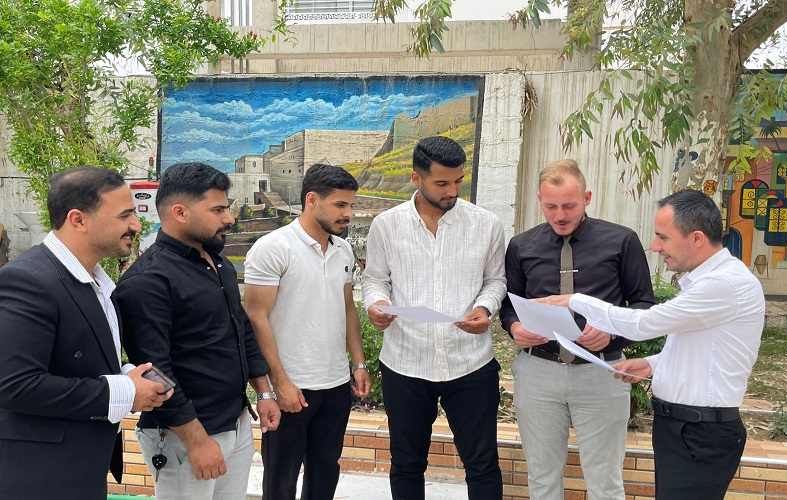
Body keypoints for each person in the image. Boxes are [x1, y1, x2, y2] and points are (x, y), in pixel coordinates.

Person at [538, 189, 764, 500]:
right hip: (683, 426)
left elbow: (644, 323)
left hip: (700, 431)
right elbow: (703, 349)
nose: (655, 246)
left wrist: (576, 300)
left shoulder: (723, 284)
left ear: (697, 238)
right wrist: (652, 364)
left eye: (663, 237)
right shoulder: (708, 282)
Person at [0, 166, 171, 500]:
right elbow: (13, 385)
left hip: (81, 467)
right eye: (124, 215)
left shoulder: (94, 283)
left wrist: (127, 374)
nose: (136, 226)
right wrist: (124, 390)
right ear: (78, 220)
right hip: (37, 477)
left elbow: (74, 358)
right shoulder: (28, 281)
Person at [114, 162, 281, 500]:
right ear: (180, 212)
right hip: (185, 436)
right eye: (218, 210)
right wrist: (197, 441)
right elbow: (155, 373)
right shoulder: (148, 282)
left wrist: (263, 393)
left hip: (235, 423)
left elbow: (241, 332)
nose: (229, 218)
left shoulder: (218, 263)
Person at [499, 159, 654, 500]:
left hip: (602, 371)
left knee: (605, 481)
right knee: (541, 478)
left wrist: (613, 332)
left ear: (586, 198)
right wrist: (515, 327)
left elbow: (645, 305)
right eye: (551, 206)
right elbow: (508, 305)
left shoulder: (621, 241)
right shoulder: (521, 246)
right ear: (540, 200)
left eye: (569, 206)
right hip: (538, 372)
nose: (560, 215)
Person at [362, 136, 506, 500]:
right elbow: (375, 279)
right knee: (407, 463)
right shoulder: (386, 225)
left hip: (470, 362)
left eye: (458, 181)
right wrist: (377, 304)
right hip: (405, 362)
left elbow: (496, 280)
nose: (452, 191)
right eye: (442, 183)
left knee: (482, 464)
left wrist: (484, 308)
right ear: (416, 178)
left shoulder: (486, 224)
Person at [244, 163, 371, 500]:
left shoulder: (343, 249)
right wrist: (279, 383)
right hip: (292, 387)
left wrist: (358, 363)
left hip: (335, 386)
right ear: (312, 200)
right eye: (340, 205)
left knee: (325, 472)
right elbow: (256, 317)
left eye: (351, 205)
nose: (348, 214)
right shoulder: (274, 247)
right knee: (281, 481)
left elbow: (348, 308)